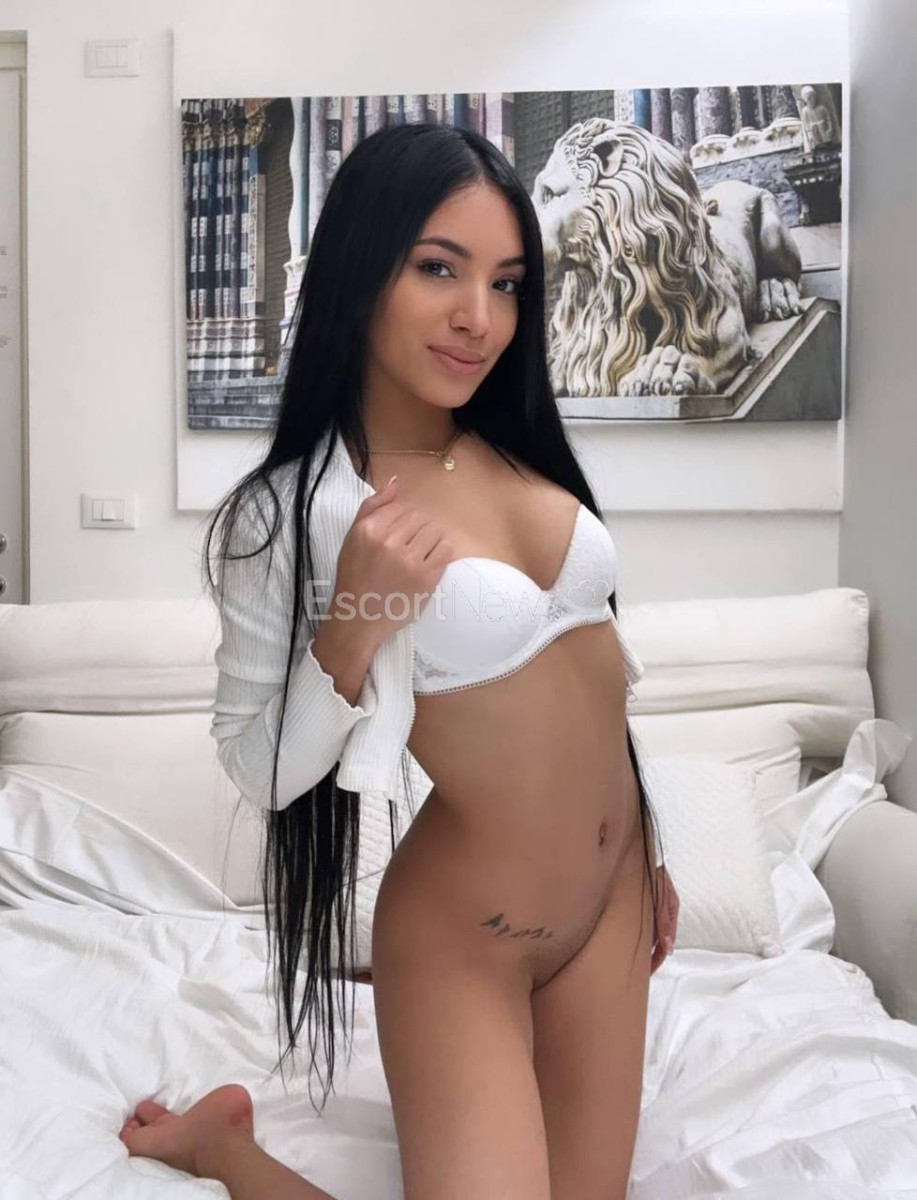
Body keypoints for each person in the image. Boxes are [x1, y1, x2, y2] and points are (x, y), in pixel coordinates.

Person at [118, 120, 680, 1199]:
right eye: (437, 269)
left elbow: (594, 682)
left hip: (609, 906)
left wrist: (647, 848)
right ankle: (224, 1149)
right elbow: (256, 767)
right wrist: (357, 615)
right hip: (469, 936)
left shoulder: (512, 446)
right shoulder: (291, 512)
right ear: (359, 270)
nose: (480, 317)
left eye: (506, 283)